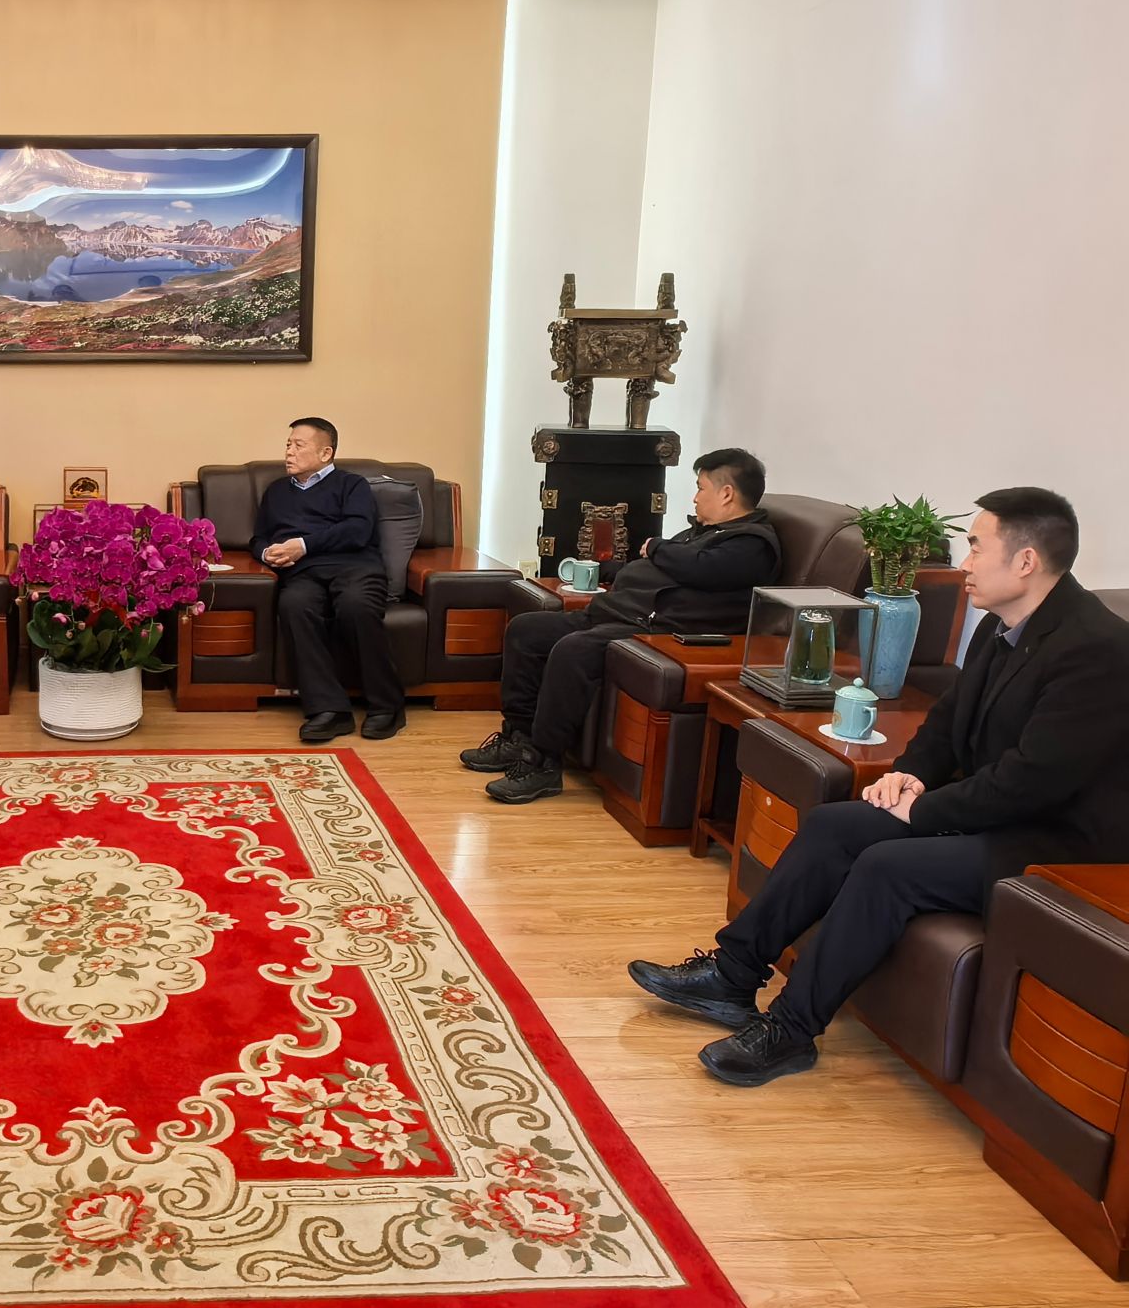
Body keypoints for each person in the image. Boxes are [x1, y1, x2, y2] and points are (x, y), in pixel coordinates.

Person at [629, 487, 1129, 1087]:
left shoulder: (1098, 649)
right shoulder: (1005, 626)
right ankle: (732, 975)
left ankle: (791, 1031)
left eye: (976, 548)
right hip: (1000, 813)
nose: (965, 564)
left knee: (888, 866)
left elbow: (1032, 782)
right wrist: (909, 773)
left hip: (1059, 843)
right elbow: (948, 721)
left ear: (1025, 561)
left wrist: (923, 810)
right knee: (833, 825)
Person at [466, 447, 782, 804]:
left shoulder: (752, 545)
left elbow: (698, 568)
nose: (695, 497)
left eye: (700, 488)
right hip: (618, 614)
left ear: (726, 494)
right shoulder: (706, 533)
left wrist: (657, 547)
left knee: (573, 650)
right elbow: (672, 563)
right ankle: (518, 738)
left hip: (660, 631)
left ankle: (542, 764)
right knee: (526, 631)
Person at [251, 417, 405, 742]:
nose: (289, 452)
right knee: (294, 604)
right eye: (288, 445)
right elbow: (259, 537)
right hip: (302, 573)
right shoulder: (276, 491)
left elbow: (358, 530)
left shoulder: (352, 485)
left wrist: (304, 545)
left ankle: (387, 707)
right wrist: (266, 553)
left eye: (298, 445)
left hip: (355, 568)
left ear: (325, 453)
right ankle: (329, 710)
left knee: (355, 606)